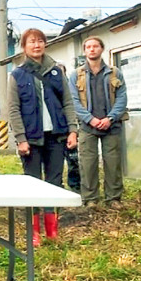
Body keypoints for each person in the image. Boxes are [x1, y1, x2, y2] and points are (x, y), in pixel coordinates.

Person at [8, 28, 78, 247]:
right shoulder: (17, 75)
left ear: (45, 44)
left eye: (40, 41)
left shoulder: (56, 72)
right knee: (33, 184)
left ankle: (52, 230)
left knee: (54, 182)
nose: (36, 45)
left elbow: (68, 102)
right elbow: (13, 109)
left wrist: (73, 130)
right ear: (24, 47)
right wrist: (20, 138)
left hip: (56, 136)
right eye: (31, 42)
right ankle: (34, 231)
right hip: (31, 138)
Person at [69, 36, 129, 209]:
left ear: (102, 49)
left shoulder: (114, 72)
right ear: (85, 51)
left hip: (112, 125)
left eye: (95, 46)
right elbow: (74, 101)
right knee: (88, 164)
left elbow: (122, 98)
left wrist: (110, 118)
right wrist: (91, 119)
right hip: (87, 127)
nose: (92, 49)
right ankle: (90, 198)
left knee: (113, 162)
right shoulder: (76, 75)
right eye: (88, 47)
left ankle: (114, 198)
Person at [56, 61, 81, 193]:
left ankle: (75, 185)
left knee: (73, 159)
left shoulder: (70, 88)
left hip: (69, 128)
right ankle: (57, 184)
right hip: (57, 130)